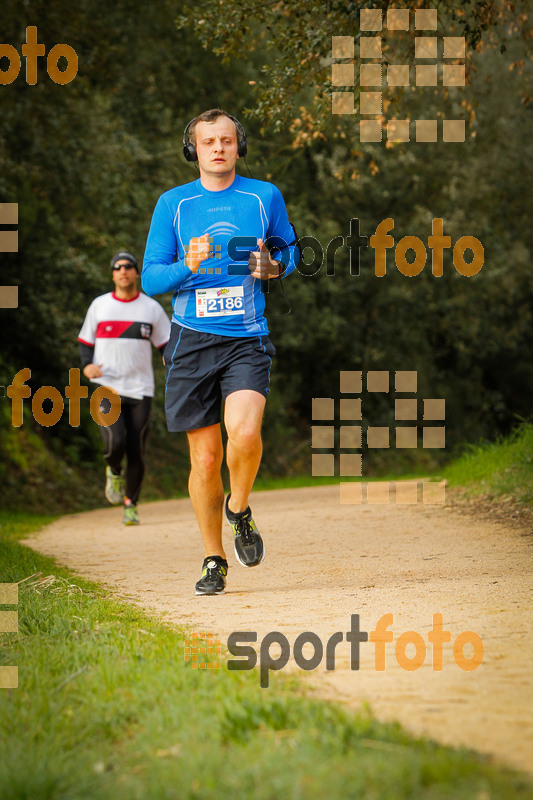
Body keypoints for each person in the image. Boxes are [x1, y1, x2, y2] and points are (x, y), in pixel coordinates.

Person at [142, 108, 299, 595]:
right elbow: (151, 279)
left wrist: (273, 268)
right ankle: (214, 560)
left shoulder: (262, 196)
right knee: (206, 461)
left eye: (226, 140)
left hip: (246, 338)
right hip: (190, 341)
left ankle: (239, 509)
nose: (218, 148)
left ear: (238, 145)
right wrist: (186, 264)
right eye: (208, 141)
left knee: (246, 433)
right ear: (194, 149)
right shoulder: (173, 204)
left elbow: (289, 253)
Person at [78, 251, 171, 525]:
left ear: (136, 272)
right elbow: (85, 342)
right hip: (106, 385)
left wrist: (171, 361)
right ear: (112, 274)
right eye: (117, 267)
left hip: (141, 388)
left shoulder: (151, 308)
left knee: (136, 447)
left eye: (128, 266)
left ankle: (131, 504)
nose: (123, 271)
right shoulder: (99, 305)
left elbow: (165, 344)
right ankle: (114, 470)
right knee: (114, 441)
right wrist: (87, 366)